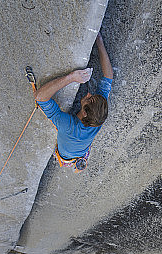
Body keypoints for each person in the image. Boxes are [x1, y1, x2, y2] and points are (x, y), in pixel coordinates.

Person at [34, 33, 113, 172]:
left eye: (89, 99)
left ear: (84, 113)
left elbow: (39, 97)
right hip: (81, 152)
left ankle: (71, 162)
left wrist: (71, 78)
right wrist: (99, 41)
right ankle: (79, 163)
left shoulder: (67, 125)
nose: (88, 94)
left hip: (65, 155)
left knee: (65, 157)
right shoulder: (98, 116)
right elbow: (108, 77)